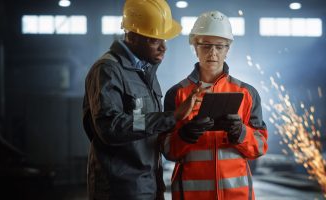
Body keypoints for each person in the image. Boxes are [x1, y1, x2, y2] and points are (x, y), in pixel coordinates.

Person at [82, 0, 206, 199]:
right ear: (132, 36)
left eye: (164, 40)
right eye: (154, 40)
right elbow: (111, 127)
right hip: (120, 189)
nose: (163, 47)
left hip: (149, 184)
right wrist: (171, 117)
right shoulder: (108, 70)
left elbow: (145, 123)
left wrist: (185, 128)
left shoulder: (145, 71)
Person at [160, 10, 268, 200]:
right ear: (195, 46)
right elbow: (167, 150)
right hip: (192, 195)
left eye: (220, 46)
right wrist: (185, 135)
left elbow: (259, 147)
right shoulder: (177, 94)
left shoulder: (247, 93)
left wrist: (241, 132)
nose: (213, 52)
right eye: (206, 45)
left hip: (236, 195)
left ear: (228, 49)